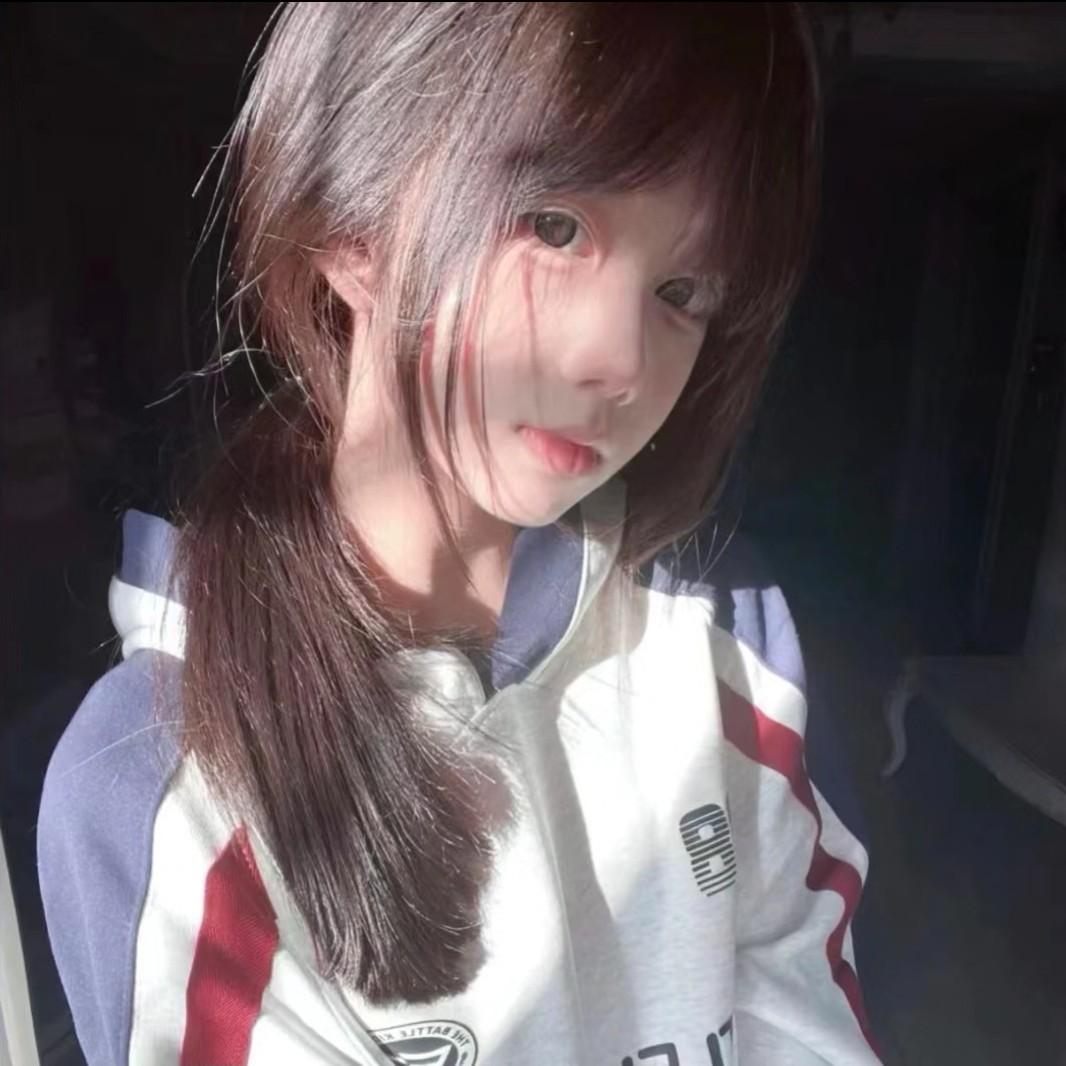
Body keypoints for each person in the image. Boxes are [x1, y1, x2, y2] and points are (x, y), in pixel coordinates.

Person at [37, 4, 882, 1064]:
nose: (620, 359)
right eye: (554, 227)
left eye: (683, 292)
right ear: (350, 223)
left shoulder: (728, 646)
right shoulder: (160, 783)